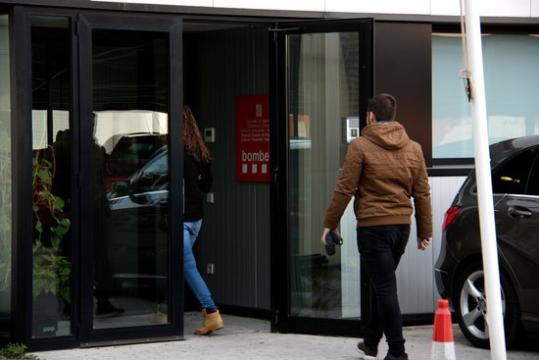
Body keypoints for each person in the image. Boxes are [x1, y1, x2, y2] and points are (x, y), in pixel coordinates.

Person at [320, 94, 432, 360]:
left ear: (370, 116)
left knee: (384, 287)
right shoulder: (413, 148)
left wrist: (329, 224)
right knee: (380, 284)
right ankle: (371, 342)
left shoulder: (359, 146)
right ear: (393, 117)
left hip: (373, 229)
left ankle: (398, 352)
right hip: (401, 228)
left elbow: (345, 188)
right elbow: (423, 193)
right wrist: (424, 231)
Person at [183, 105, 224, 335]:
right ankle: (164, 309)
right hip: (197, 217)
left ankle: (211, 312)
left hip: (181, 217)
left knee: (186, 266)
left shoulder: (178, 154)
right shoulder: (201, 152)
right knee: (176, 262)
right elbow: (207, 184)